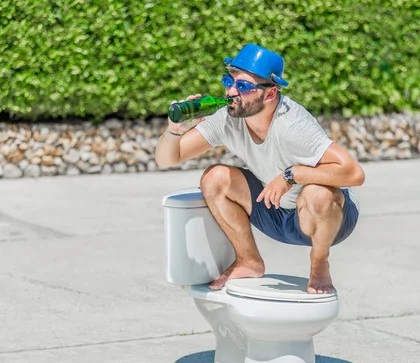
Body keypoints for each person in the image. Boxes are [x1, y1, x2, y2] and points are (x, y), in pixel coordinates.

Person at [155, 43, 365, 294]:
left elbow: (354, 173)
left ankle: (319, 263)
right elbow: (168, 158)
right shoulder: (227, 118)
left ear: (269, 94)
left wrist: (292, 174)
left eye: (242, 86)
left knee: (317, 194)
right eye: (229, 81)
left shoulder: (292, 126)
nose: (231, 91)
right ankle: (249, 260)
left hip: (324, 220)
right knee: (215, 178)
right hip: (274, 209)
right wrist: (174, 131)